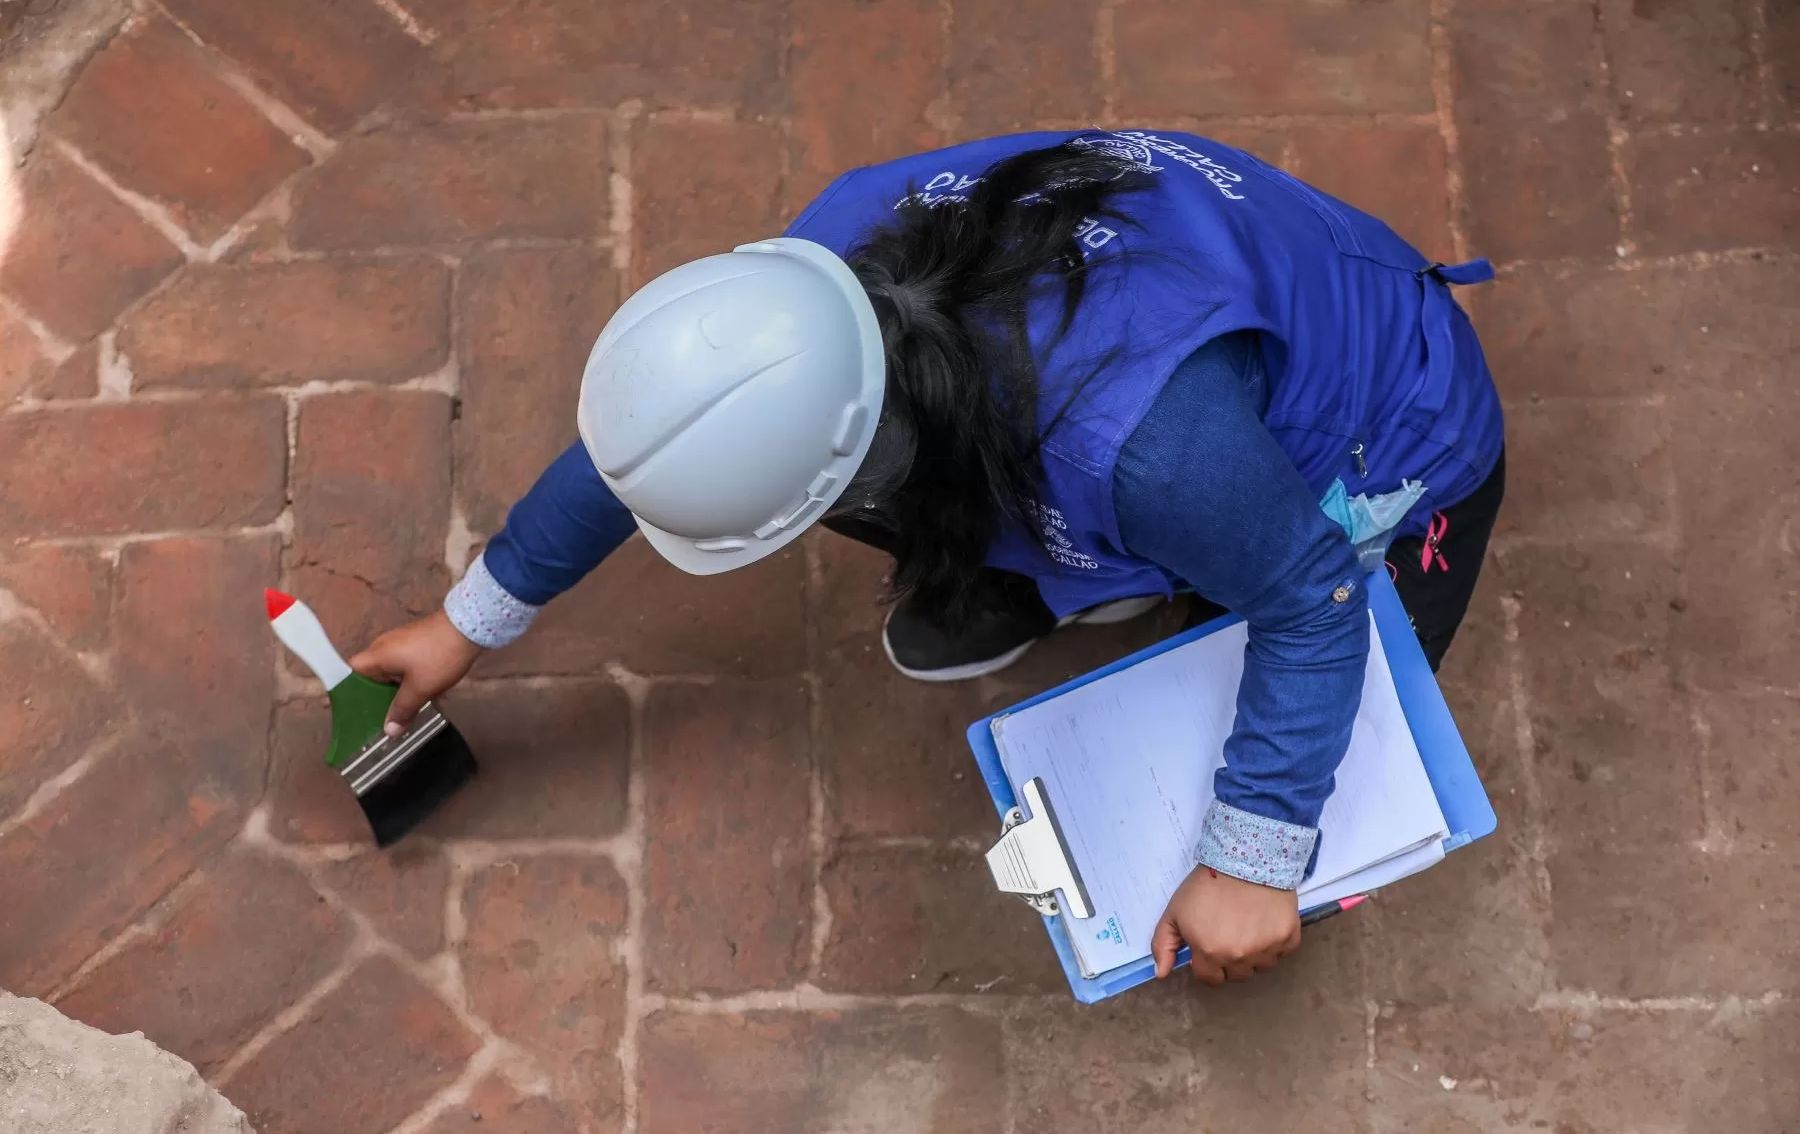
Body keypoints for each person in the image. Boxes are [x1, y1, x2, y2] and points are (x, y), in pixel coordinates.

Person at [352, 130, 1505, 987]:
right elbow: (663, 441)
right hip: (1169, 416)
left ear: (865, 459)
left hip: (1388, 444)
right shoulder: (810, 287)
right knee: (1161, 538)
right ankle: (1069, 577)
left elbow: (1312, 601)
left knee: (1325, 749)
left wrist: (1253, 855)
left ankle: (1233, 791)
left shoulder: (1142, 452)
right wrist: (472, 619)